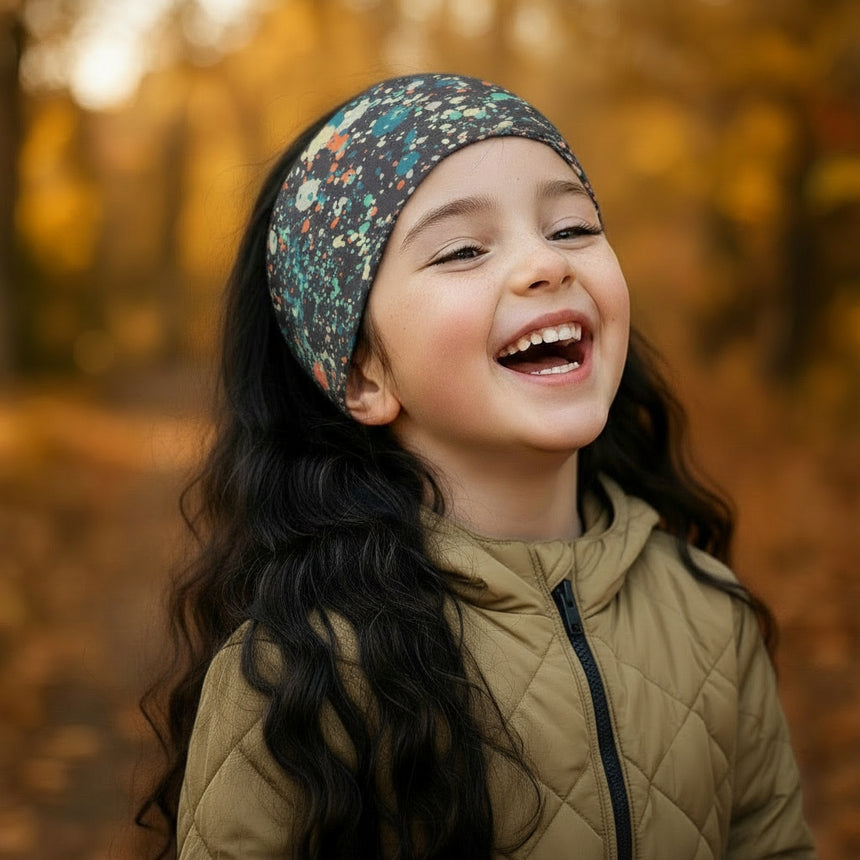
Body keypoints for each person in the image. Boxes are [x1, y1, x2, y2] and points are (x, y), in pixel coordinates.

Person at [138, 73, 814, 859]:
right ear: (363, 374)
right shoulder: (303, 671)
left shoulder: (712, 614)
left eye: (570, 228)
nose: (545, 264)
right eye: (463, 249)